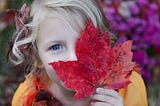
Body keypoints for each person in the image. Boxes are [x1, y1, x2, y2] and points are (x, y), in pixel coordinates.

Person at [9, 0, 148, 106]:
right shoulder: (26, 99)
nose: (74, 57)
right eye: (56, 47)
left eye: (85, 42)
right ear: (36, 56)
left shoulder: (129, 89)